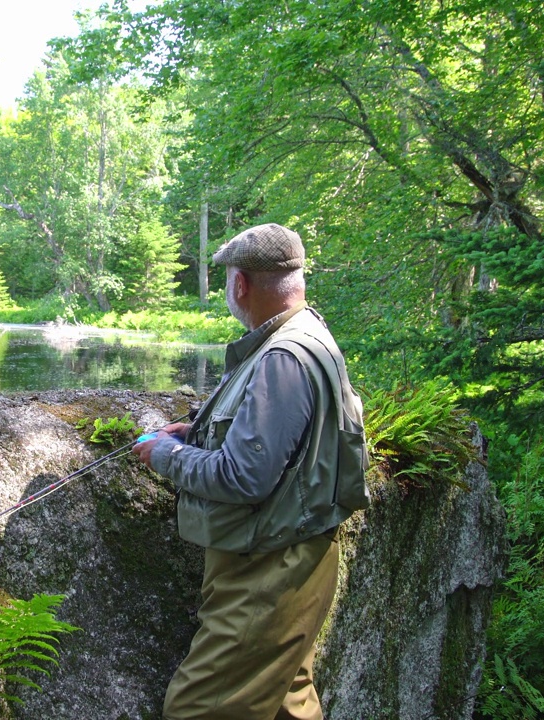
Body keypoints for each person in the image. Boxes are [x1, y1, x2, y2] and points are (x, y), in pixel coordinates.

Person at [133, 222, 369, 720]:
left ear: (240, 284)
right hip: (293, 556)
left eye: (227, 281)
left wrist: (163, 454)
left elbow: (243, 477)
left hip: (268, 570)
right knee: (290, 703)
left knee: (200, 709)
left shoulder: (283, 357)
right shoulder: (304, 334)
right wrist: (194, 430)